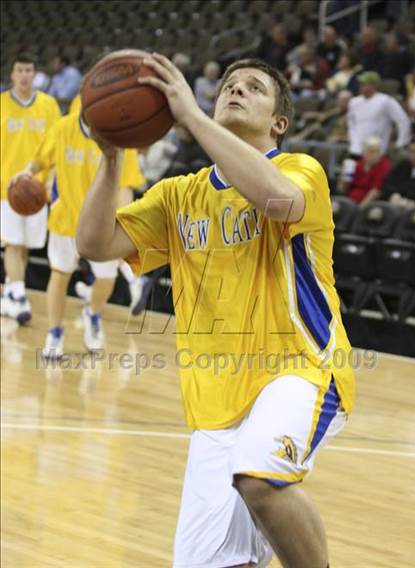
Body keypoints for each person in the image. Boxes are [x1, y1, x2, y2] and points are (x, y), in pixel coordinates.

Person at [77, 54, 355, 568]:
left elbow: (277, 200)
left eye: (254, 88)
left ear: (280, 123)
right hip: (216, 396)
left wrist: (193, 118)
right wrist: (111, 153)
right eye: (229, 84)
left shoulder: (299, 170)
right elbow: (95, 243)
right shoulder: (180, 195)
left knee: (260, 477)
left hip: (301, 369)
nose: (236, 90)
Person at [9, 112, 142, 357]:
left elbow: (126, 184)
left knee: (106, 281)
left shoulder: (119, 133)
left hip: (102, 224)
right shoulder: (62, 128)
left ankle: (92, 312)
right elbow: (41, 159)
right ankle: (55, 332)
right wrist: (27, 172)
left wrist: (124, 221)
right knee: (59, 275)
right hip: (66, 219)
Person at [1, 53, 61, 324]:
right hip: (7, 188)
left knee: (23, 246)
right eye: (20, 70)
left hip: (37, 191)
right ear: (12, 74)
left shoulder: (48, 106)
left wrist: (52, 180)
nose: (25, 75)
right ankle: (20, 295)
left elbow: (58, 147)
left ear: (35, 74)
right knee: (12, 244)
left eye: (29, 70)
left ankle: (9, 294)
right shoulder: (1, 105)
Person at [347, 71, 411, 158]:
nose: (362, 86)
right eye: (361, 84)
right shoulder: (354, 102)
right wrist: (353, 141)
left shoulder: (386, 100)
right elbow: (351, 123)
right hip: (356, 149)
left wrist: (401, 142)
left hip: (378, 151)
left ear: (374, 85)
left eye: (365, 84)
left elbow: (402, 120)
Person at [341, 136, 392, 206]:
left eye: (377, 151)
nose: (374, 155)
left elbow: (376, 192)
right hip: (349, 201)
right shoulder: (357, 164)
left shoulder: (384, 165)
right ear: (363, 152)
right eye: (371, 151)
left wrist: (360, 208)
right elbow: (343, 189)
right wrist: (344, 178)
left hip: (370, 204)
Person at [381, 136, 415, 207]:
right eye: (412, 152)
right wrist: (393, 194)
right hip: (395, 204)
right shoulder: (404, 165)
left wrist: (412, 201)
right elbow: (387, 182)